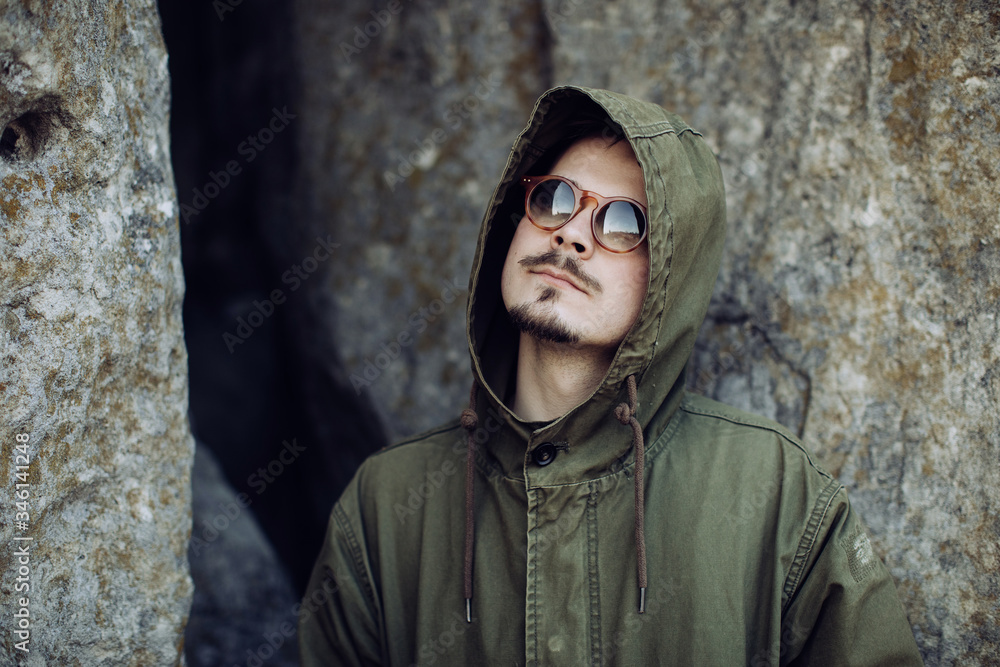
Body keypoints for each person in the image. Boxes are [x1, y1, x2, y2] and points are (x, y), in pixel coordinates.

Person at [299, 85, 922, 665]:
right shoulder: (386, 506)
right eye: (553, 199)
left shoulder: (778, 497)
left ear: (671, 277)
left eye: (625, 223)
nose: (571, 234)